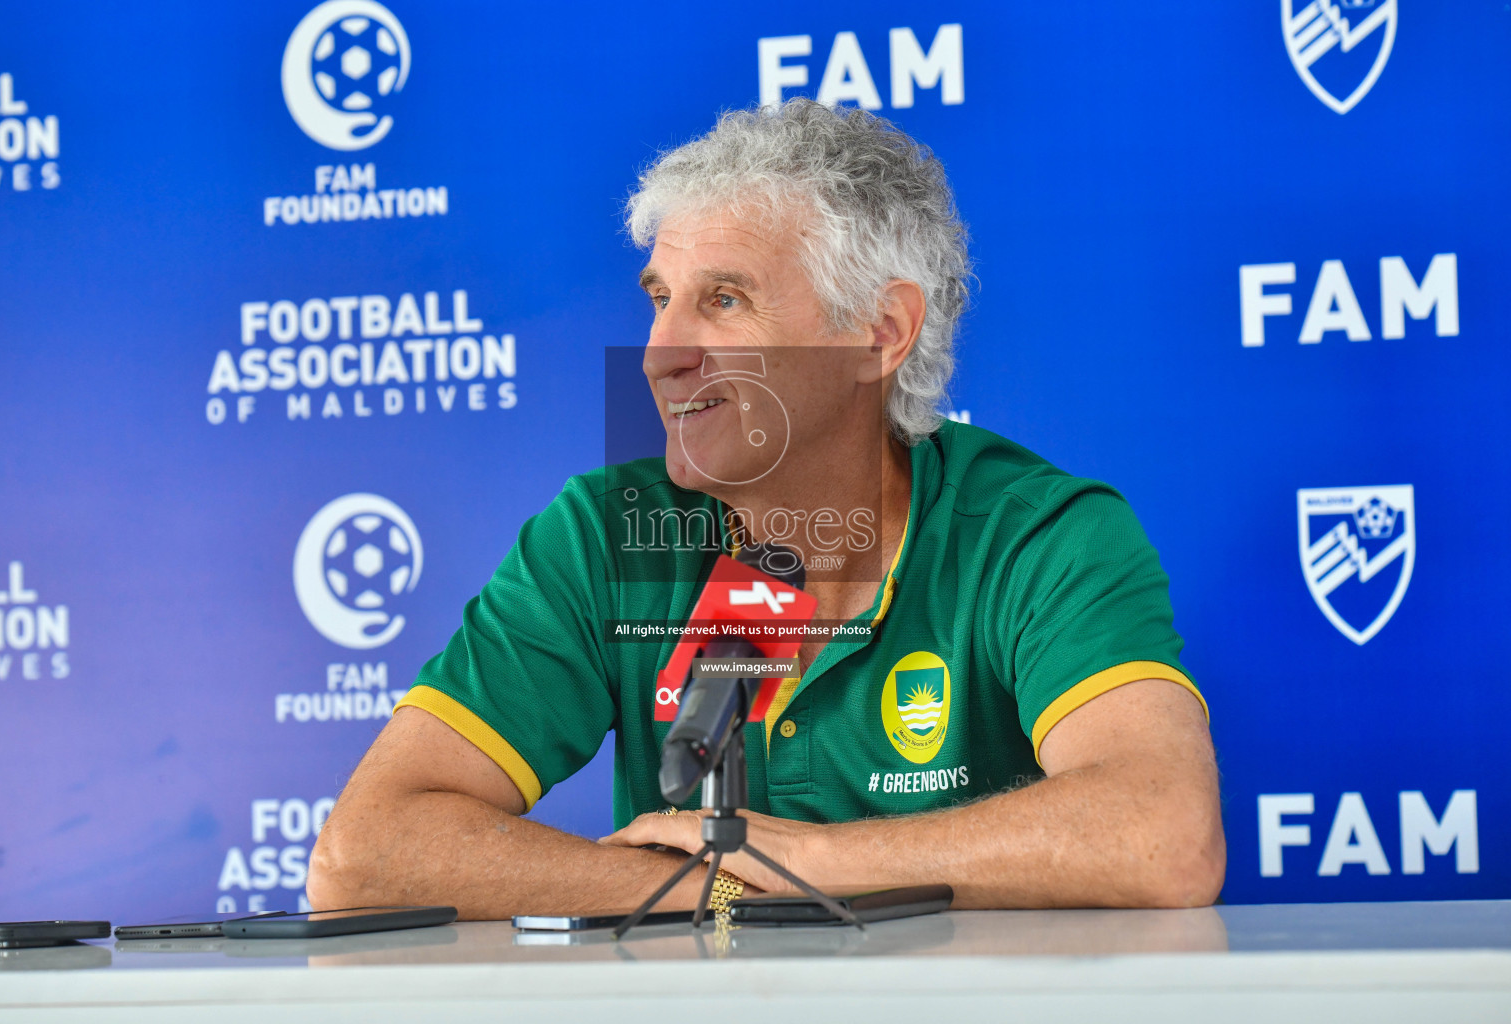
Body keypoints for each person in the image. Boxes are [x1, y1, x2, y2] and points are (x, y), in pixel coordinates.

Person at [307, 100, 1224, 918]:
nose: (660, 355)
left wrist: (812, 865)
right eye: (661, 300)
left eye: (725, 300)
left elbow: (1163, 834)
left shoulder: (1039, 533)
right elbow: (364, 855)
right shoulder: (602, 533)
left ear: (880, 332)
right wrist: (716, 887)